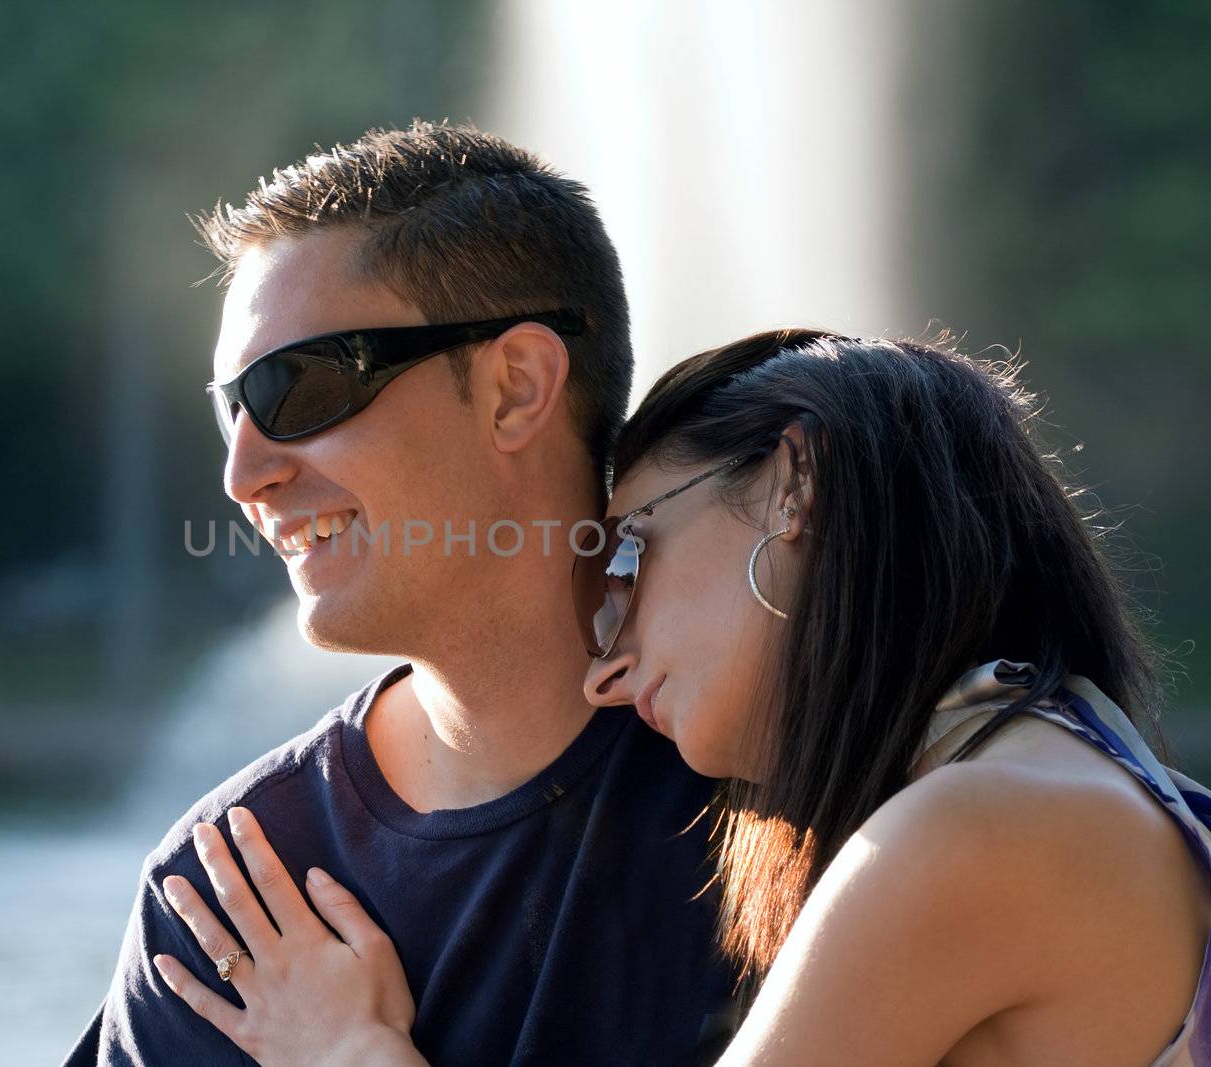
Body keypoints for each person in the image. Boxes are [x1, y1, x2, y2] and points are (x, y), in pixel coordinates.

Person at [153, 330, 1211, 1065]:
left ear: (793, 482)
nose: (604, 666)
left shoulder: (979, 830)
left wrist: (349, 1048)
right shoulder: (1070, 773)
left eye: (629, 554)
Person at [61, 122, 738, 1066]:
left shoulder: (800, 792)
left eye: (295, 387)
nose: (242, 474)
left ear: (515, 387)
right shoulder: (235, 902)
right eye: (233, 407)